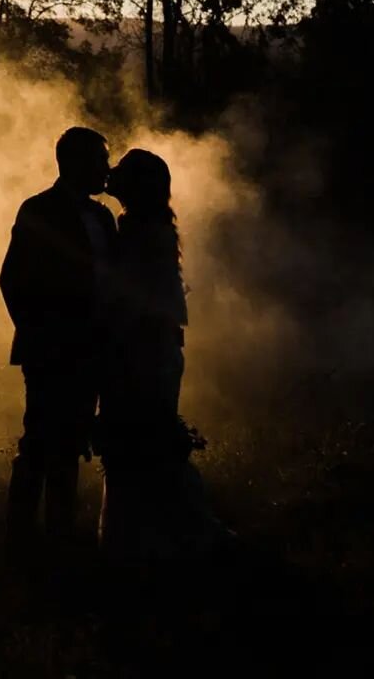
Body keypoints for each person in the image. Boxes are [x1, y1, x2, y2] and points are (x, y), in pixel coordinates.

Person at [97, 148, 225, 561]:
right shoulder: (149, 228)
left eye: (120, 173)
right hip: (154, 352)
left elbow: (131, 303)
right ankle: (164, 537)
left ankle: (153, 541)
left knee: (141, 444)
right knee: (146, 443)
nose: (108, 176)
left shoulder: (138, 233)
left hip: (143, 353)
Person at [0, 126, 118, 549]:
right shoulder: (38, 211)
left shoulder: (104, 217)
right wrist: (40, 334)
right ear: (74, 163)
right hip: (51, 350)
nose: (107, 169)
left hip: (92, 350)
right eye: (101, 160)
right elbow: (12, 280)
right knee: (39, 443)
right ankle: (20, 539)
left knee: (70, 444)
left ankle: (59, 536)